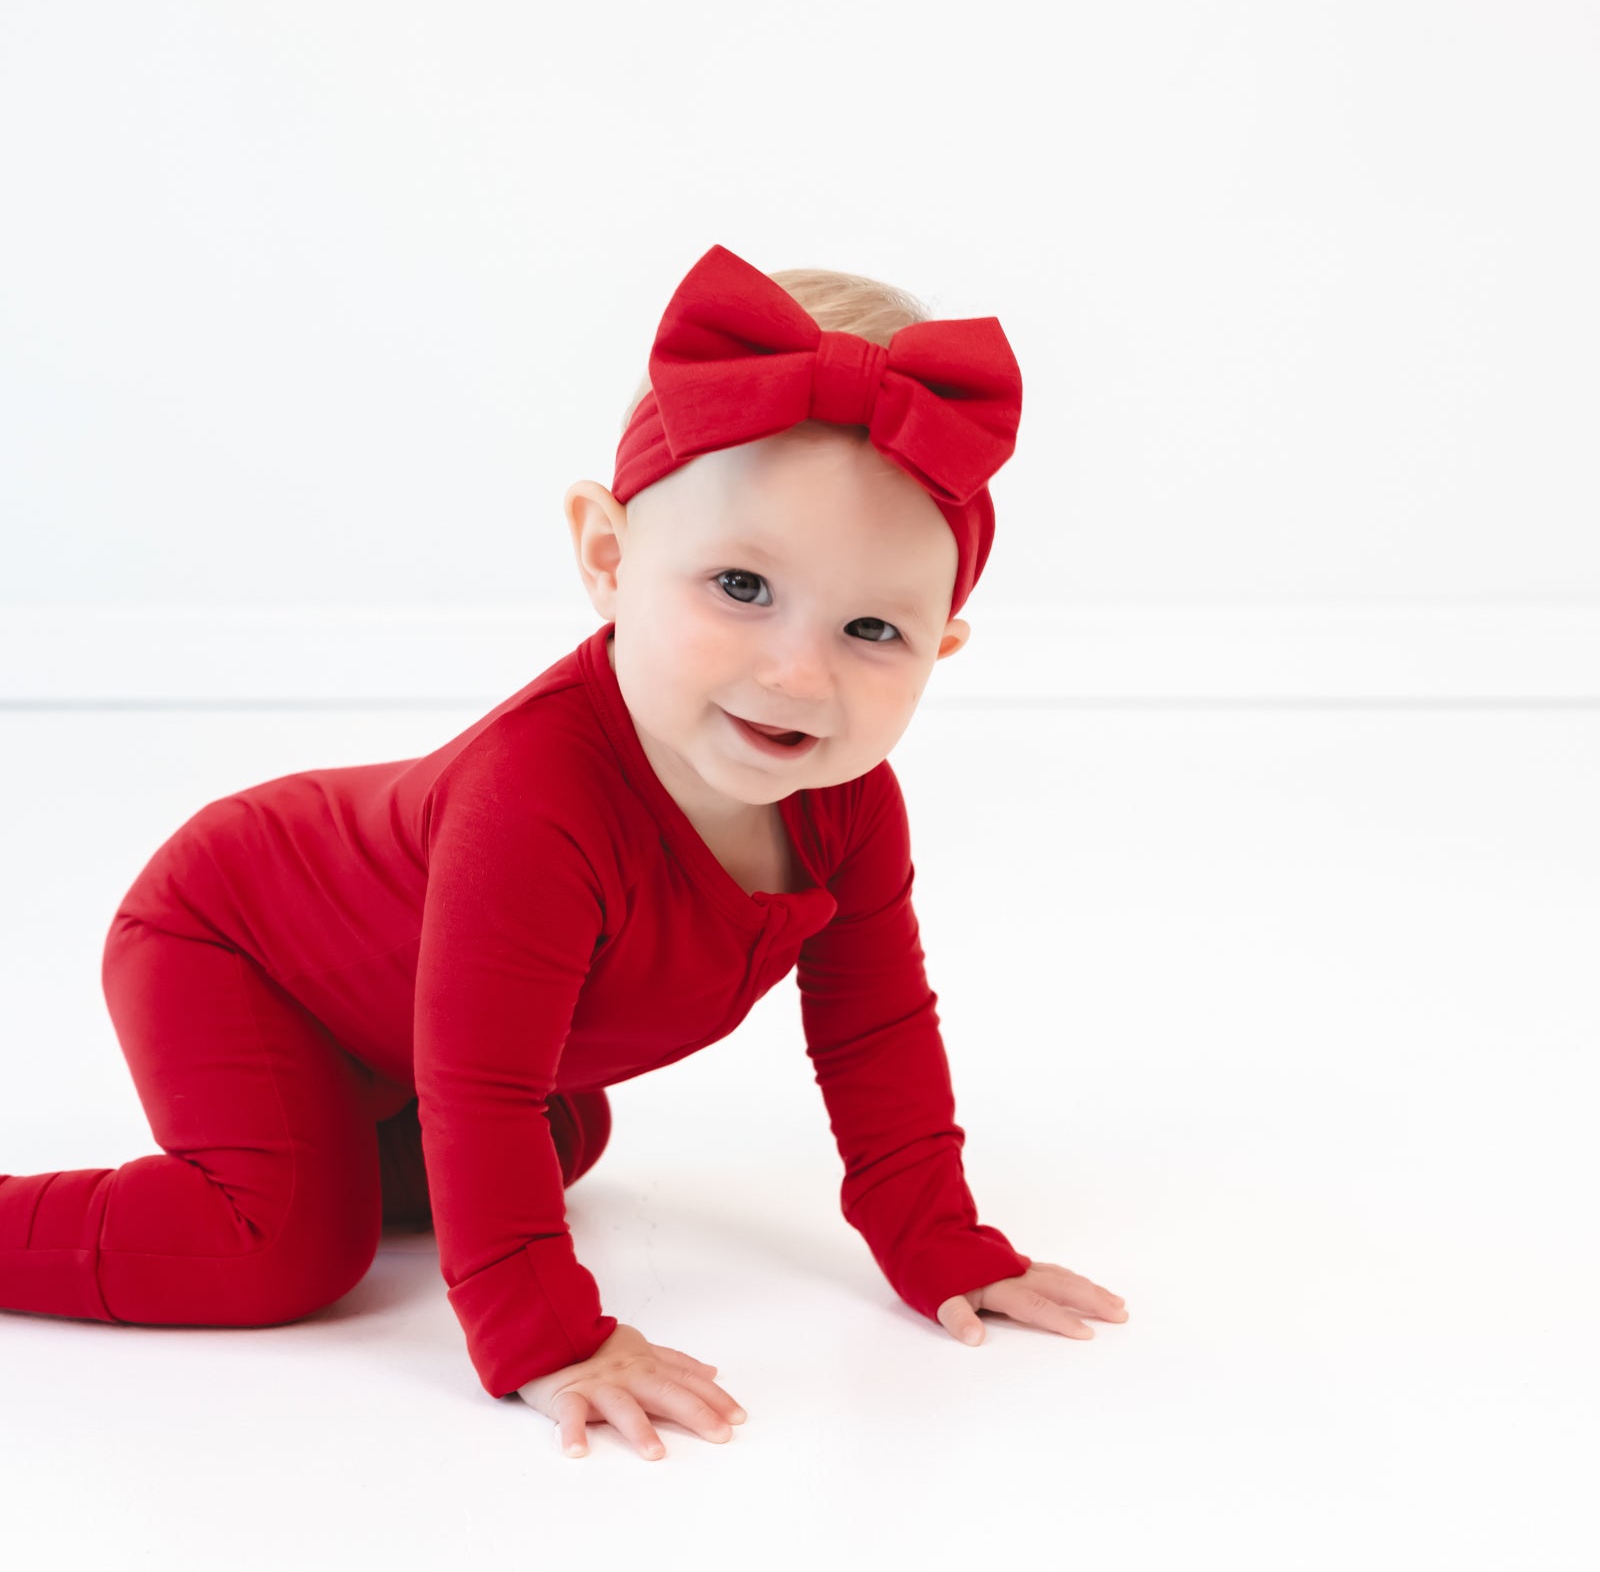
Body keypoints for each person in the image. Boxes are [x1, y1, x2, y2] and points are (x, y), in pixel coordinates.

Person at [1, 242, 1128, 1461]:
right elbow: (479, 1083)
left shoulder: (848, 804)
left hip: (413, 1030)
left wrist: (940, 1241)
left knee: (560, 1138)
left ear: (940, 648)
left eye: (871, 627)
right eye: (740, 585)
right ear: (607, 556)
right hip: (231, 936)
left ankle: (349, 1129)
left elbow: (877, 1031)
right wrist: (547, 1334)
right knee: (285, 1244)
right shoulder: (537, 799)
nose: (796, 673)